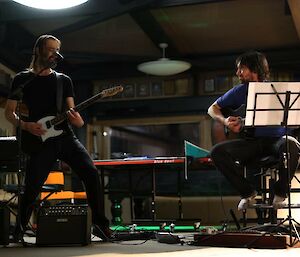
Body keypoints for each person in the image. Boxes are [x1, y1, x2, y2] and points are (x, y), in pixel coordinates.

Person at [5, 34, 111, 241]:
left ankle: (100, 224)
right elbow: (9, 112)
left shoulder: (63, 80)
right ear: (38, 50)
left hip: (65, 136)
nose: (56, 54)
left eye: (57, 49)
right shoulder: (22, 79)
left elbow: (77, 120)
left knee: (90, 172)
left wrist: (76, 118)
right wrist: (26, 125)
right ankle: (19, 228)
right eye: (51, 49)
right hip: (40, 138)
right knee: (33, 185)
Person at [207, 50, 299, 211]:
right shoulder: (240, 90)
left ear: (254, 69)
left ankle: (281, 193)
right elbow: (212, 109)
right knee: (217, 152)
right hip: (253, 142)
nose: (237, 73)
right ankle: (247, 192)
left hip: (279, 141)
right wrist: (225, 121)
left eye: (241, 68)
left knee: (292, 145)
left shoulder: (281, 90)